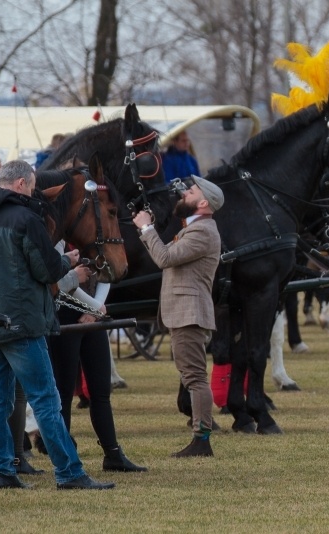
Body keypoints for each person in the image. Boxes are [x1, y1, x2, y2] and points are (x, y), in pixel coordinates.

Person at [0, 159, 115, 490]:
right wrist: (65, 261)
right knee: (45, 399)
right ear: (24, 184)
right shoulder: (27, 218)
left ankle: (2, 471)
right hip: (22, 322)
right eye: (33, 184)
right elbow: (46, 271)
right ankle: (69, 472)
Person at [133, 175, 223, 457]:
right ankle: (201, 437)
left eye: (191, 191)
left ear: (204, 202)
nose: (184, 193)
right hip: (186, 313)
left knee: (195, 378)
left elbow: (164, 259)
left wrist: (146, 227)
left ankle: (202, 440)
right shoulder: (192, 229)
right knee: (192, 376)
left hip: (189, 313)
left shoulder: (203, 231)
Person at [48, 240, 148, 472]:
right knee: (63, 392)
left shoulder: (92, 238)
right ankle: (66, 457)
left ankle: (112, 453)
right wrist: (94, 306)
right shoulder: (57, 240)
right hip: (64, 316)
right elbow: (61, 282)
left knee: (101, 390)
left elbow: (107, 274)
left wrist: (94, 309)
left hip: (92, 317)